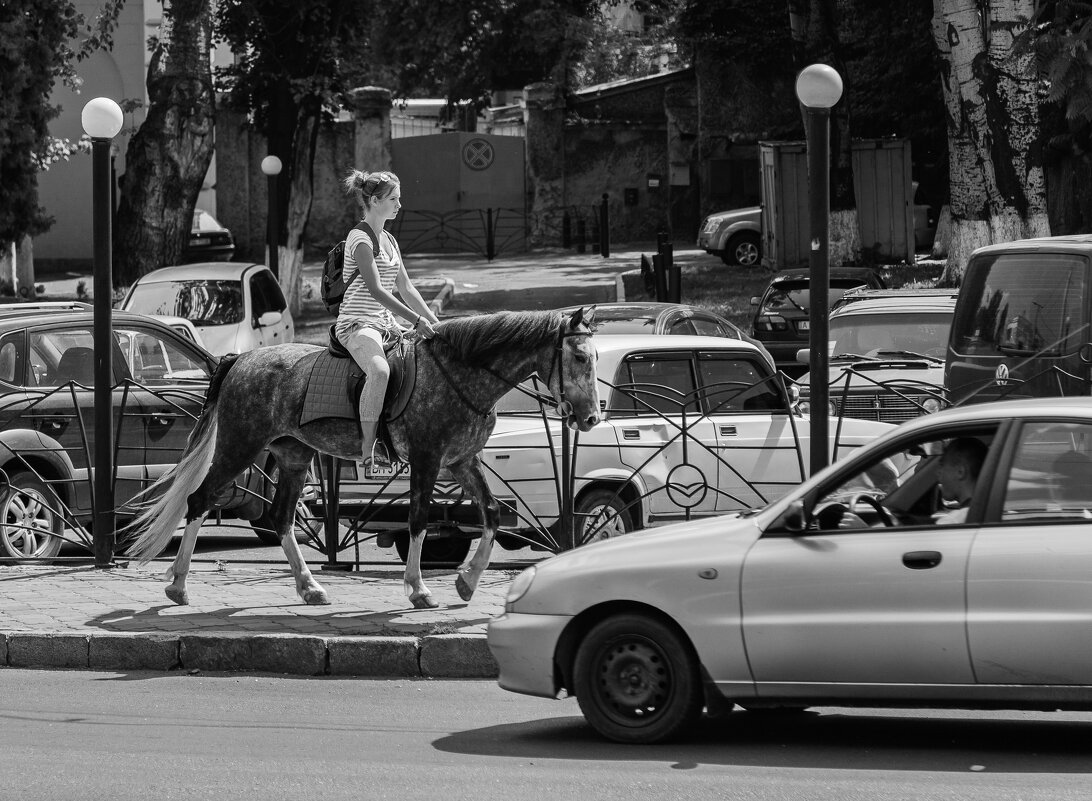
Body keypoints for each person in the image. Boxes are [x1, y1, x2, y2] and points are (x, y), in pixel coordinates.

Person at [336, 169, 439, 467]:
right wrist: (417, 324)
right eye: (393, 199)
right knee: (379, 371)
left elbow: (406, 288)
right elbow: (378, 291)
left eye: (399, 198)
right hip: (357, 324)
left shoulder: (390, 240)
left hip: (385, 325)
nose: (399, 204)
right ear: (374, 201)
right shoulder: (359, 237)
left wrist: (436, 324)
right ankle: (368, 447)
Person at [933, 437, 988, 524]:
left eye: (942, 465)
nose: (938, 473)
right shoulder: (989, 510)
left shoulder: (953, 522)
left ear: (960, 472)